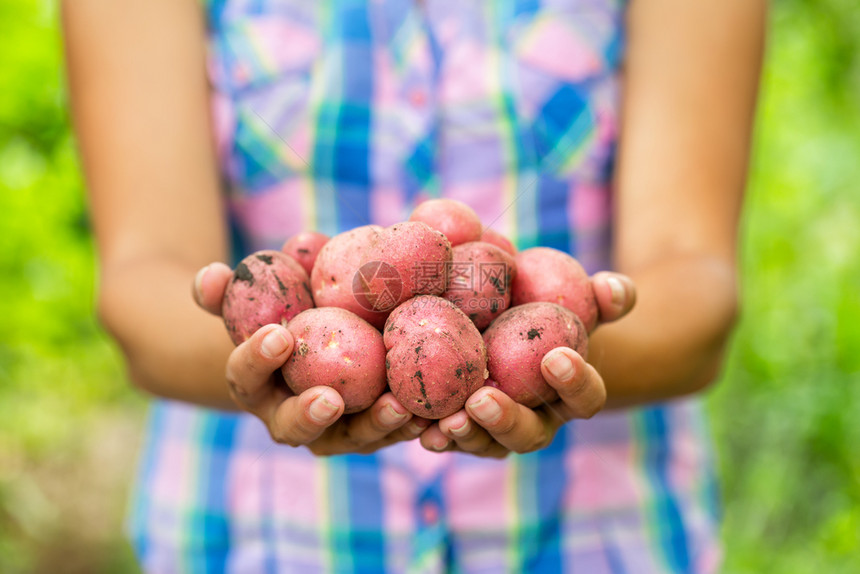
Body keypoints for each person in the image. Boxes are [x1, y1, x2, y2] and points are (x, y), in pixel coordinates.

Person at [63, 0, 765, 571]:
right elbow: (140, 284)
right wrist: (274, 369)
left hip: (595, 535)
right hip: (264, 538)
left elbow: (695, 287)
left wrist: (557, 362)